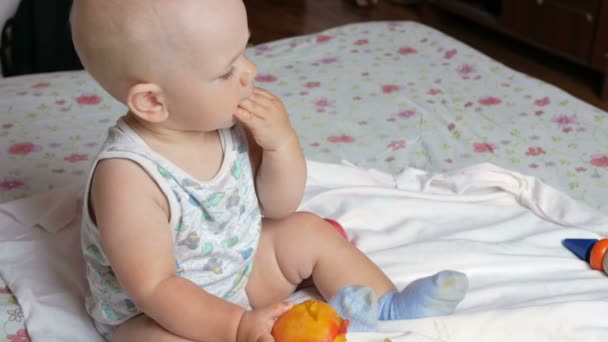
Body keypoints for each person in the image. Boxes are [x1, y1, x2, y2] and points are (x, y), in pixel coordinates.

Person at [70, 1, 469, 341]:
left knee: (307, 229)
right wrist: (238, 326)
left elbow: (277, 205)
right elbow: (154, 288)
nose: (250, 71)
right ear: (153, 102)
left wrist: (281, 145)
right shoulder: (128, 178)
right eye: (226, 70)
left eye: (243, 51)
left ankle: (383, 304)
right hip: (159, 313)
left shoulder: (226, 122)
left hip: (240, 269)